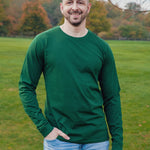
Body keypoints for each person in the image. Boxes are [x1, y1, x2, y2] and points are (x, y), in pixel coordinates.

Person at [19, 0, 123, 150]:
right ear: (62, 7)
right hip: (59, 141)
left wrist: (118, 143)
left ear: (88, 7)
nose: (75, 8)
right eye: (69, 3)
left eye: (80, 2)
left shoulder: (102, 48)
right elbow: (26, 87)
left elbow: (112, 97)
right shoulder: (43, 42)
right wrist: (45, 128)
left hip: (97, 140)